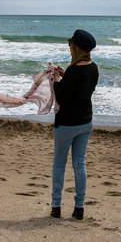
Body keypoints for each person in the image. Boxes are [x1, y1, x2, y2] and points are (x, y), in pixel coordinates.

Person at [50, 29, 99, 219]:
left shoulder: (73, 70)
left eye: (70, 44)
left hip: (67, 124)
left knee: (59, 165)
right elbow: (79, 90)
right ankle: (79, 208)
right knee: (79, 164)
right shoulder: (93, 67)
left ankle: (56, 207)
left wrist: (56, 79)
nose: (69, 46)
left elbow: (62, 97)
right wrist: (64, 77)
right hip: (86, 122)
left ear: (76, 47)